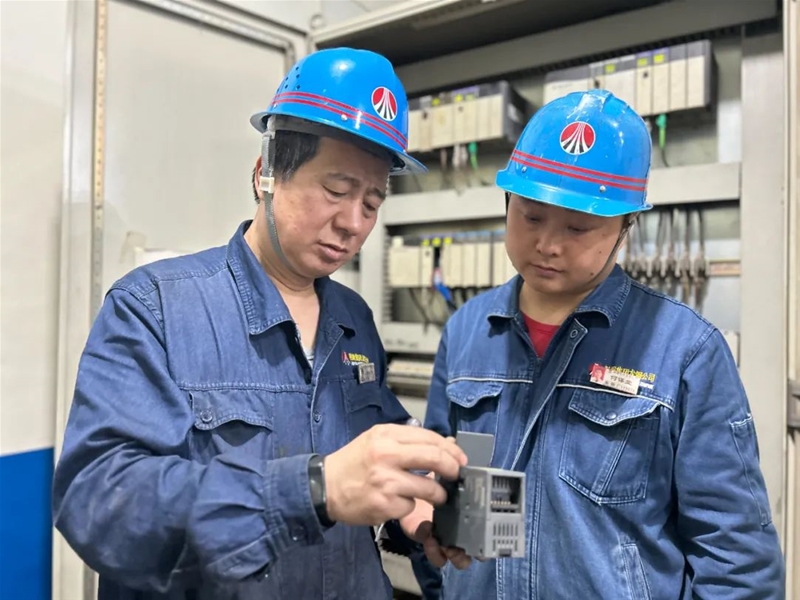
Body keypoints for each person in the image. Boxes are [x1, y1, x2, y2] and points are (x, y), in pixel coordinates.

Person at [52, 47, 471, 600]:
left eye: (372, 203)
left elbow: (377, 445)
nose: (352, 223)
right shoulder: (155, 307)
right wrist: (311, 490)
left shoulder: (354, 320)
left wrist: (413, 506)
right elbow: (99, 503)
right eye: (336, 190)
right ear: (266, 175)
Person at [422, 89, 785, 598]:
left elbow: (735, 556)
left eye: (578, 226)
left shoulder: (685, 351)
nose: (548, 244)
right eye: (531, 216)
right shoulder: (469, 330)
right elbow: (445, 505)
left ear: (624, 227)